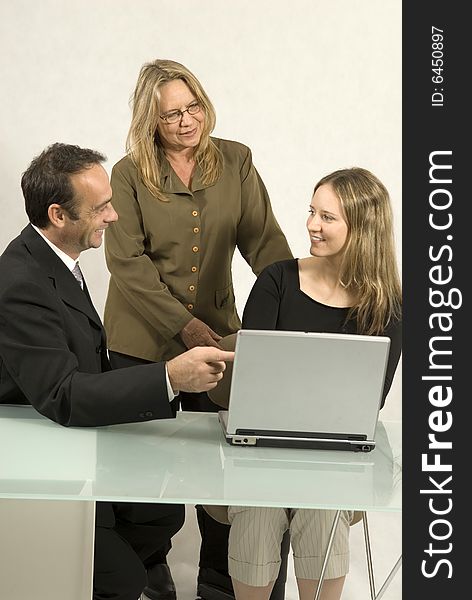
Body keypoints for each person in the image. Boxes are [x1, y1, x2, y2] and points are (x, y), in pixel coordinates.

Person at [0, 142, 234, 600]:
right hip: (41, 464)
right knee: (123, 579)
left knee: (163, 514)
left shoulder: (56, 263)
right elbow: (63, 395)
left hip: (74, 443)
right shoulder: (21, 283)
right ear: (59, 215)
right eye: (101, 207)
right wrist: (170, 378)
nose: (114, 217)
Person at [103, 58, 293, 599]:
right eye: (171, 116)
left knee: (225, 469)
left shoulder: (236, 160)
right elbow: (127, 264)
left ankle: (218, 580)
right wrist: (182, 325)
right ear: (150, 121)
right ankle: (146, 572)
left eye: (193, 107)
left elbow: (266, 246)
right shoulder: (127, 173)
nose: (187, 122)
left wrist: (293, 315)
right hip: (141, 344)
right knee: (145, 481)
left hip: (220, 341)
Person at [208, 167, 402, 600]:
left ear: (363, 228)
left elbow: (370, 401)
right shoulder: (277, 281)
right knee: (258, 512)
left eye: (327, 217)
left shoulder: (387, 307)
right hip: (260, 450)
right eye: (312, 212)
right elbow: (250, 383)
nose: (312, 225)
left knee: (323, 504)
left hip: (333, 459)